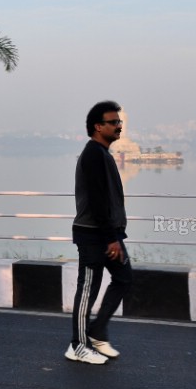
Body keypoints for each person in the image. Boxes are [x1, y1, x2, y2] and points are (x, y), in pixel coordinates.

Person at [65, 101, 133, 365]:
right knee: (87, 291)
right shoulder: (93, 154)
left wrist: (115, 233)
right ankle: (78, 345)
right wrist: (110, 238)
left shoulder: (103, 153)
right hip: (94, 235)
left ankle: (97, 331)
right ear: (98, 126)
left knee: (124, 278)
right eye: (113, 122)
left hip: (109, 232)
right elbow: (96, 200)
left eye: (119, 122)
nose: (118, 126)